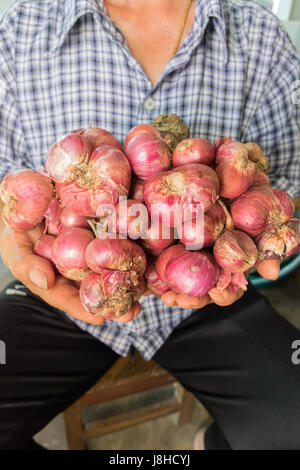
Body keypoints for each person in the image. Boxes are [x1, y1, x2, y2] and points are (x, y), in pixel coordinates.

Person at [0, 0, 299, 450]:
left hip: (209, 289)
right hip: (66, 287)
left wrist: (263, 237)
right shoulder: (19, 28)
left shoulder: (261, 35)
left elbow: (288, 181)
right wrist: (11, 234)